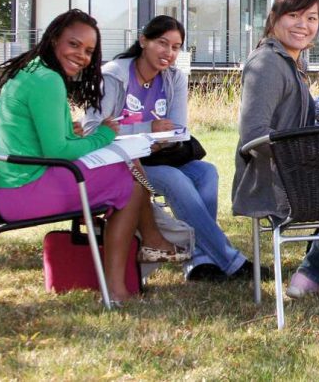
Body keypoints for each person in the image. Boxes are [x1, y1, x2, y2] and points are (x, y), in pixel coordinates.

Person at [0, 9, 186, 303]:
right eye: (74, 44)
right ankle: (119, 286)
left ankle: (151, 238)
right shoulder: (47, 80)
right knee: (129, 183)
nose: (82, 55)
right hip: (22, 192)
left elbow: (38, 137)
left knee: (126, 163)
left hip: (6, 185)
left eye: (89, 51)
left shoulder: (32, 70)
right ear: (55, 39)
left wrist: (71, 133)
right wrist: (102, 135)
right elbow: (58, 152)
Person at [83, 15, 256, 282]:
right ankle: (230, 261)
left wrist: (163, 136)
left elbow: (177, 130)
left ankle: (200, 262)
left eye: (176, 47)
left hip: (159, 155)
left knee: (207, 173)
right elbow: (92, 128)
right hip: (123, 162)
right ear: (144, 41)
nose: (169, 53)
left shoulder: (174, 78)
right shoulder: (114, 75)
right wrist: (147, 129)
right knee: (176, 180)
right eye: (162, 43)